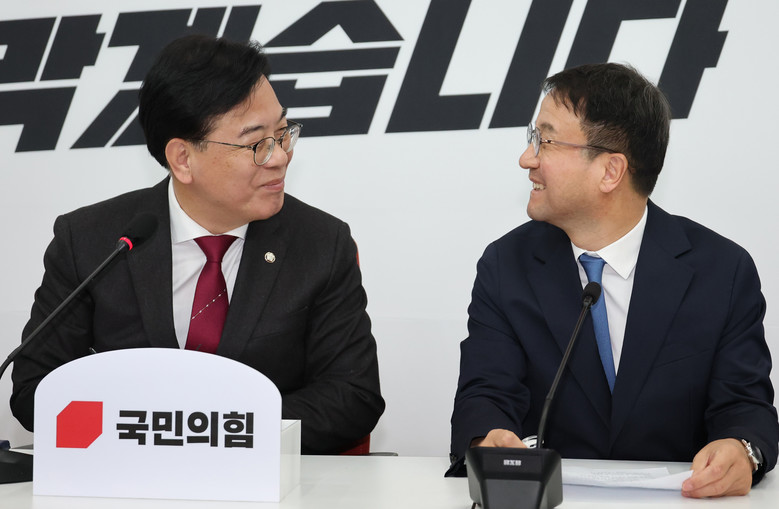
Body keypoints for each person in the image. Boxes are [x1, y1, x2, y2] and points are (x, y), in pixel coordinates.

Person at [11, 35, 384, 454]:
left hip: (262, 477)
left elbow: (353, 397)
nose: (280, 157)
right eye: (256, 144)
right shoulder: (91, 241)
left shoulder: (320, 243)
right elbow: (35, 390)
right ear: (183, 159)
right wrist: (152, 432)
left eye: (283, 133)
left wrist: (213, 431)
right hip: (127, 476)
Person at [448, 62, 778, 497]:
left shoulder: (721, 271)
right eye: (533, 138)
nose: (527, 158)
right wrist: (487, 439)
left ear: (610, 171)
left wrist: (742, 449)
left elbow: (746, 407)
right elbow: (485, 395)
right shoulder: (507, 265)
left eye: (545, 140)